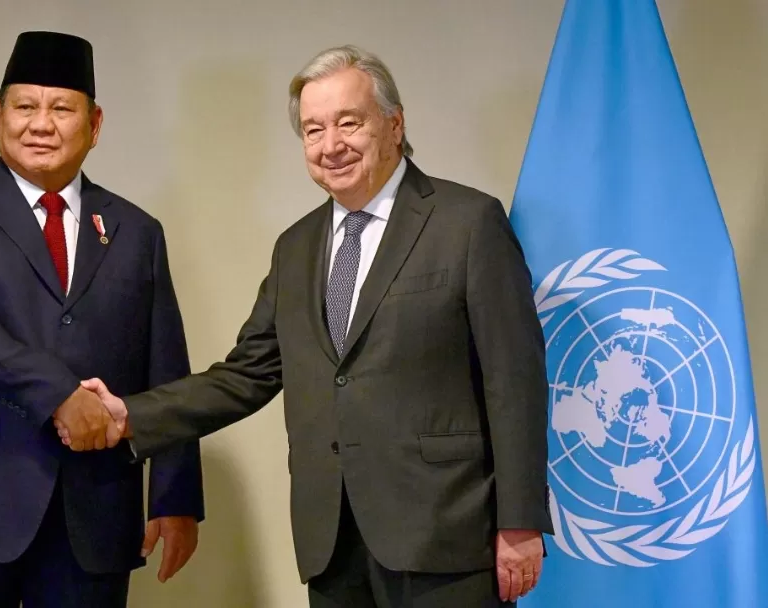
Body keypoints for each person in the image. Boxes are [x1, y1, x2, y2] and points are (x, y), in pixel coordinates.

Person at [57, 44, 552, 607]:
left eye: (349, 122)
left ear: (394, 124)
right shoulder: (296, 248)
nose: (331, 145)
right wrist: (131, 414)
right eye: (313, 130)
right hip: (331, 541)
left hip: (445, 535)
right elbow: (244, 375)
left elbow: (515, 381)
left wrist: (520, 522)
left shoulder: (468, 222)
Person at [0, 31, 204, 607]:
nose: (40, 124)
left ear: (95, 123)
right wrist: (60, 394)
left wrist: (175, 496)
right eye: (24, 106)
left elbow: (166, 365)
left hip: (95, 506)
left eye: (61, 109)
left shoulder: (136, 231)